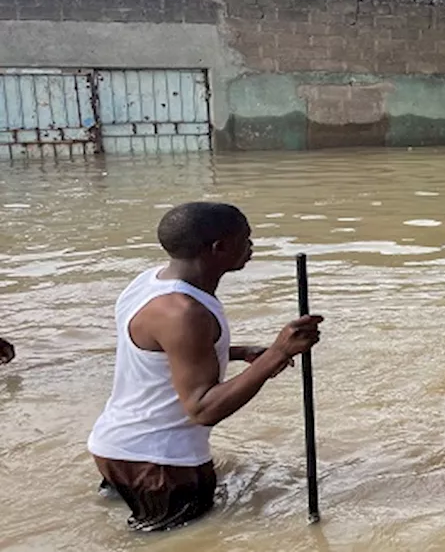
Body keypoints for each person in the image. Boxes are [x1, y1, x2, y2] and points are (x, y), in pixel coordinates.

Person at [87, 202, 323, 533]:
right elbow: (202, 409)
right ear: (220, 248)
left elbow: (159, 352)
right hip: (160, 465)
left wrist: (242, 352)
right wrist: (278, 352)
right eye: (246, 238)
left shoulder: (150, 282)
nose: (252, 246)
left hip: (118, 446)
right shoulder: (186, 312)